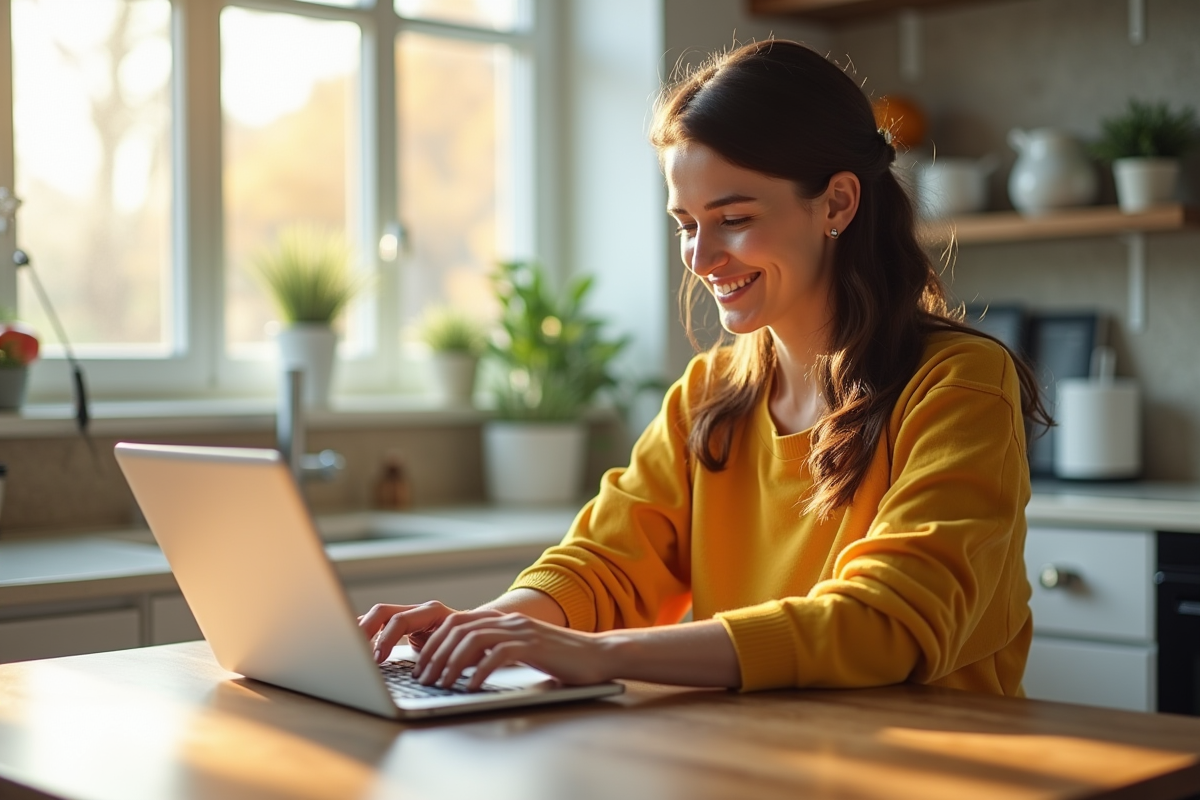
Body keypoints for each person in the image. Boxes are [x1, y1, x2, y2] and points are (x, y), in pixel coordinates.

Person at [359, 39, 1049, 696]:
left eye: (735, 218)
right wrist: (489, 627)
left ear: (837, 203)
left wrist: (598, 655)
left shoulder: (959, 383)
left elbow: (886, 622)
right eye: (687, 223)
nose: (699, 257)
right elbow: (605, 564)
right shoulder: (709, 395)